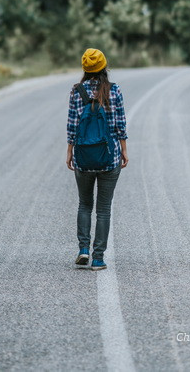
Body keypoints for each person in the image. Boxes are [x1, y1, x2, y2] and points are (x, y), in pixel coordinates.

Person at [66, 48, 128, 271]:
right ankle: (98, 258)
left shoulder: (76, 92)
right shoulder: (114, 91)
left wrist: (70, 151)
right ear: (104, 67)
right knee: (103, 209)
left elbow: (72, 125)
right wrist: (124, 151)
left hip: (83, 159)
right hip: (108, 158)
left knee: (84, 204)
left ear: (85, 69)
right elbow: (120, 125)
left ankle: (83, 250)